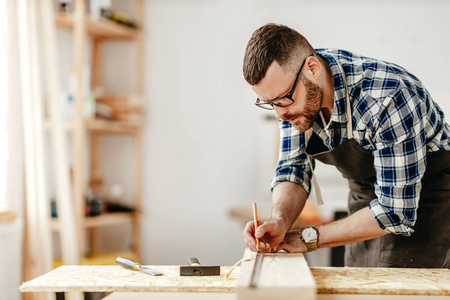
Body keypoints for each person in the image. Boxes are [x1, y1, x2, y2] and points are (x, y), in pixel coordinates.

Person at [242, 23, 450, 268]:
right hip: (365, 200)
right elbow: (293, 169)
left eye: (283, 100)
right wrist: (279, 221)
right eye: (269, 103)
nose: (279, 114)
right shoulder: (294, 95)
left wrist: (306, 238)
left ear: (312, 68)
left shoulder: (387, 98)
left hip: (427, 202)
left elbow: (395, 213)